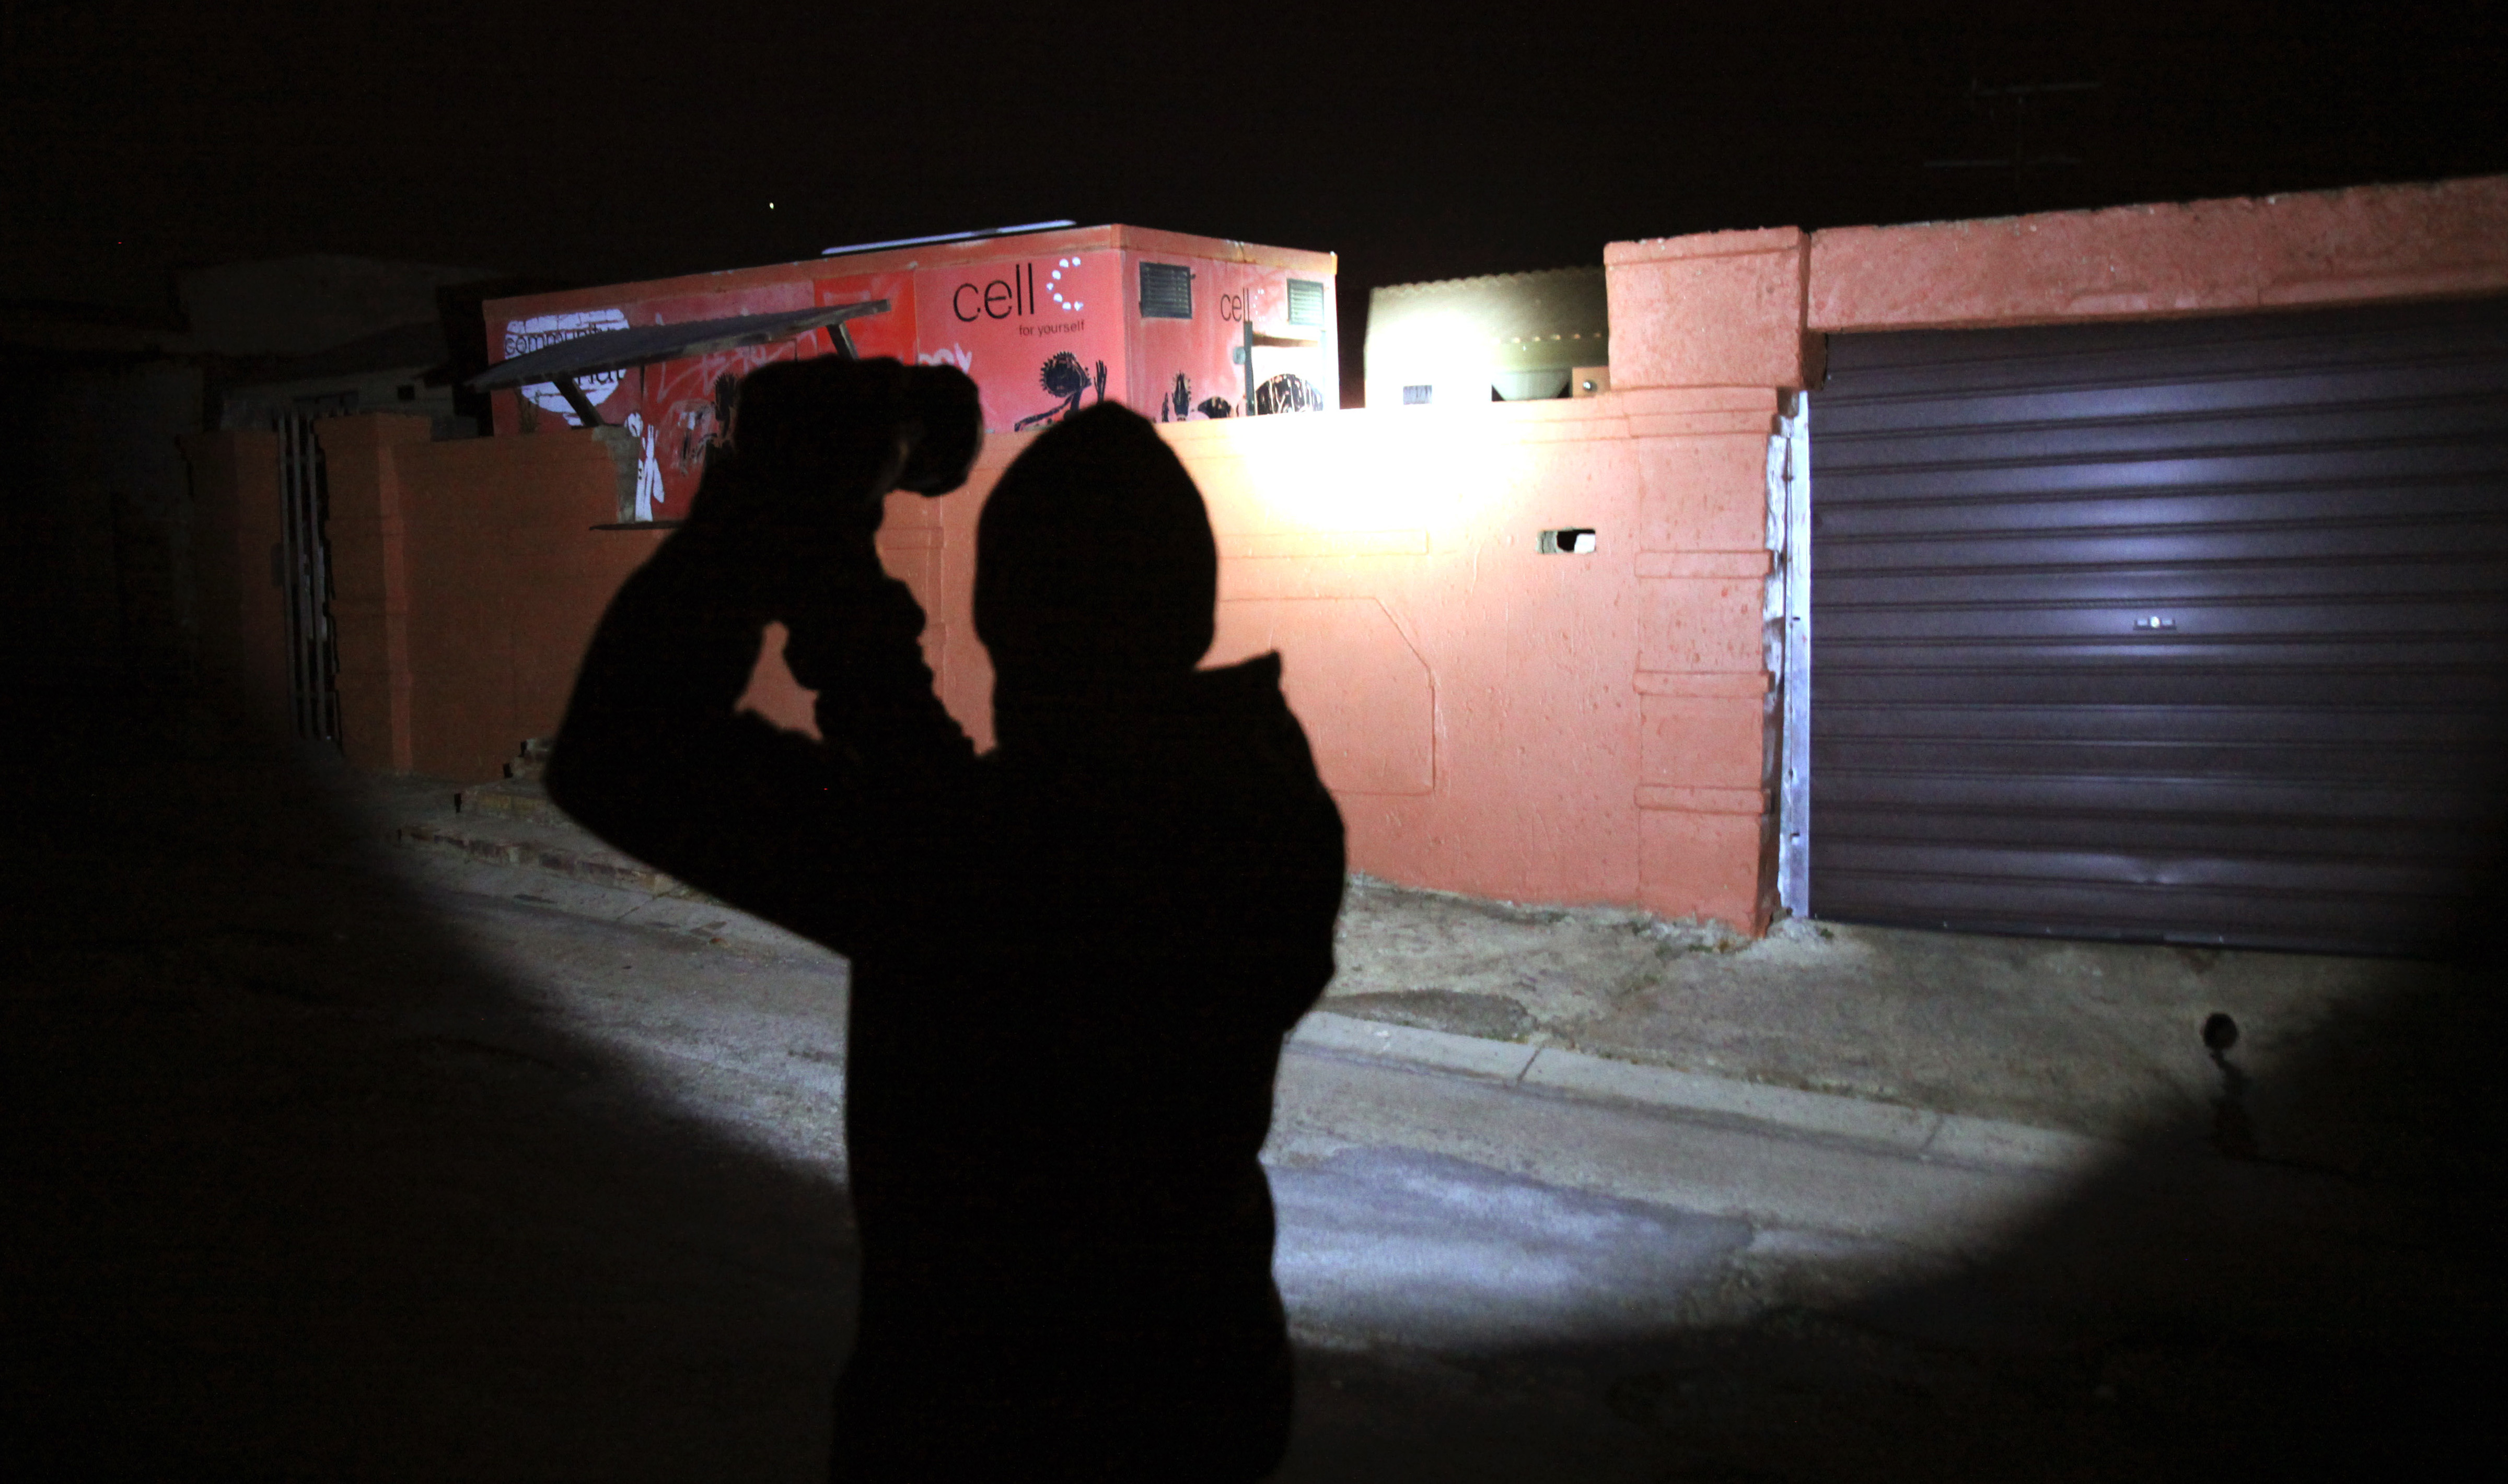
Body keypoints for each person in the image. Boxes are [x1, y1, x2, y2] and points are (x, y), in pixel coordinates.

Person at [544, 356, 1346, 1482]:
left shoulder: (998, 861)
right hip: (1200, 1400)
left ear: (1016, 626)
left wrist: (774, 525)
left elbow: (623, 756)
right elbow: (984, 821)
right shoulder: (1263, 805)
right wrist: (849, 613)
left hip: (986, 1426)